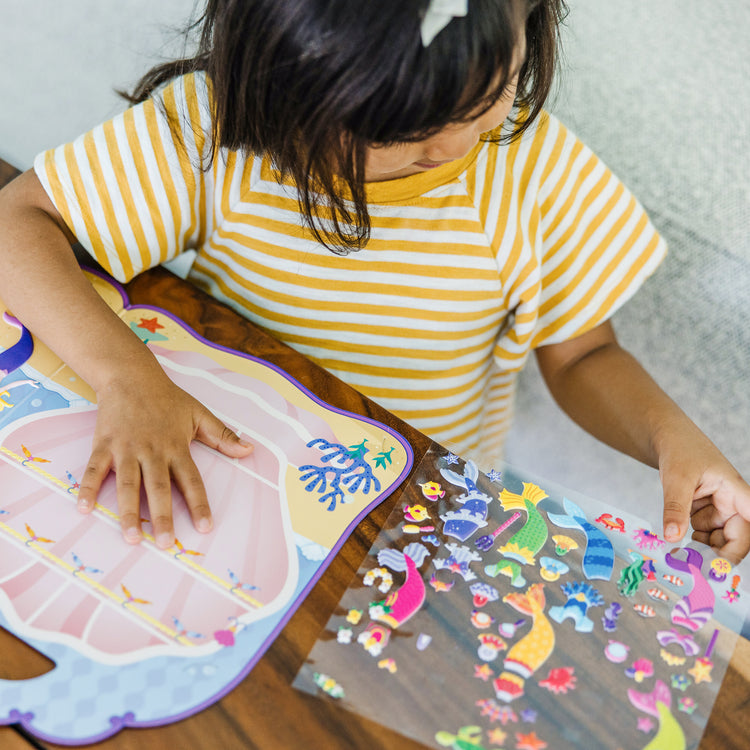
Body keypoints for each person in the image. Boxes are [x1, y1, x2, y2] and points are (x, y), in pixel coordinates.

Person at [1, 0, 749, 560]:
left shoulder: (538, 174)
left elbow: (584, 356)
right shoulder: (212, 132)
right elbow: (16, 223)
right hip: (224, 466)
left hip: (413, 514)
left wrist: (669, 438)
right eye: (405, 133)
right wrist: (125, 376)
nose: (457, 144)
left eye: (493, 91)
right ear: (286, 87)